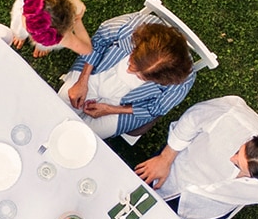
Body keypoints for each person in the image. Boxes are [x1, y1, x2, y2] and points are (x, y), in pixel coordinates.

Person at [59, 9, 196, 138]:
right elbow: (98, 42)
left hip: (128, 104)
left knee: (86, 136)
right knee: (61, 105)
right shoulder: (129, 26)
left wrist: (110, 109)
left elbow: (156, 108)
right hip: (97, 72)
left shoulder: (182, 82)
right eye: (132, 63)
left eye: (139, 75)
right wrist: (82, 81)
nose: (129, 70)